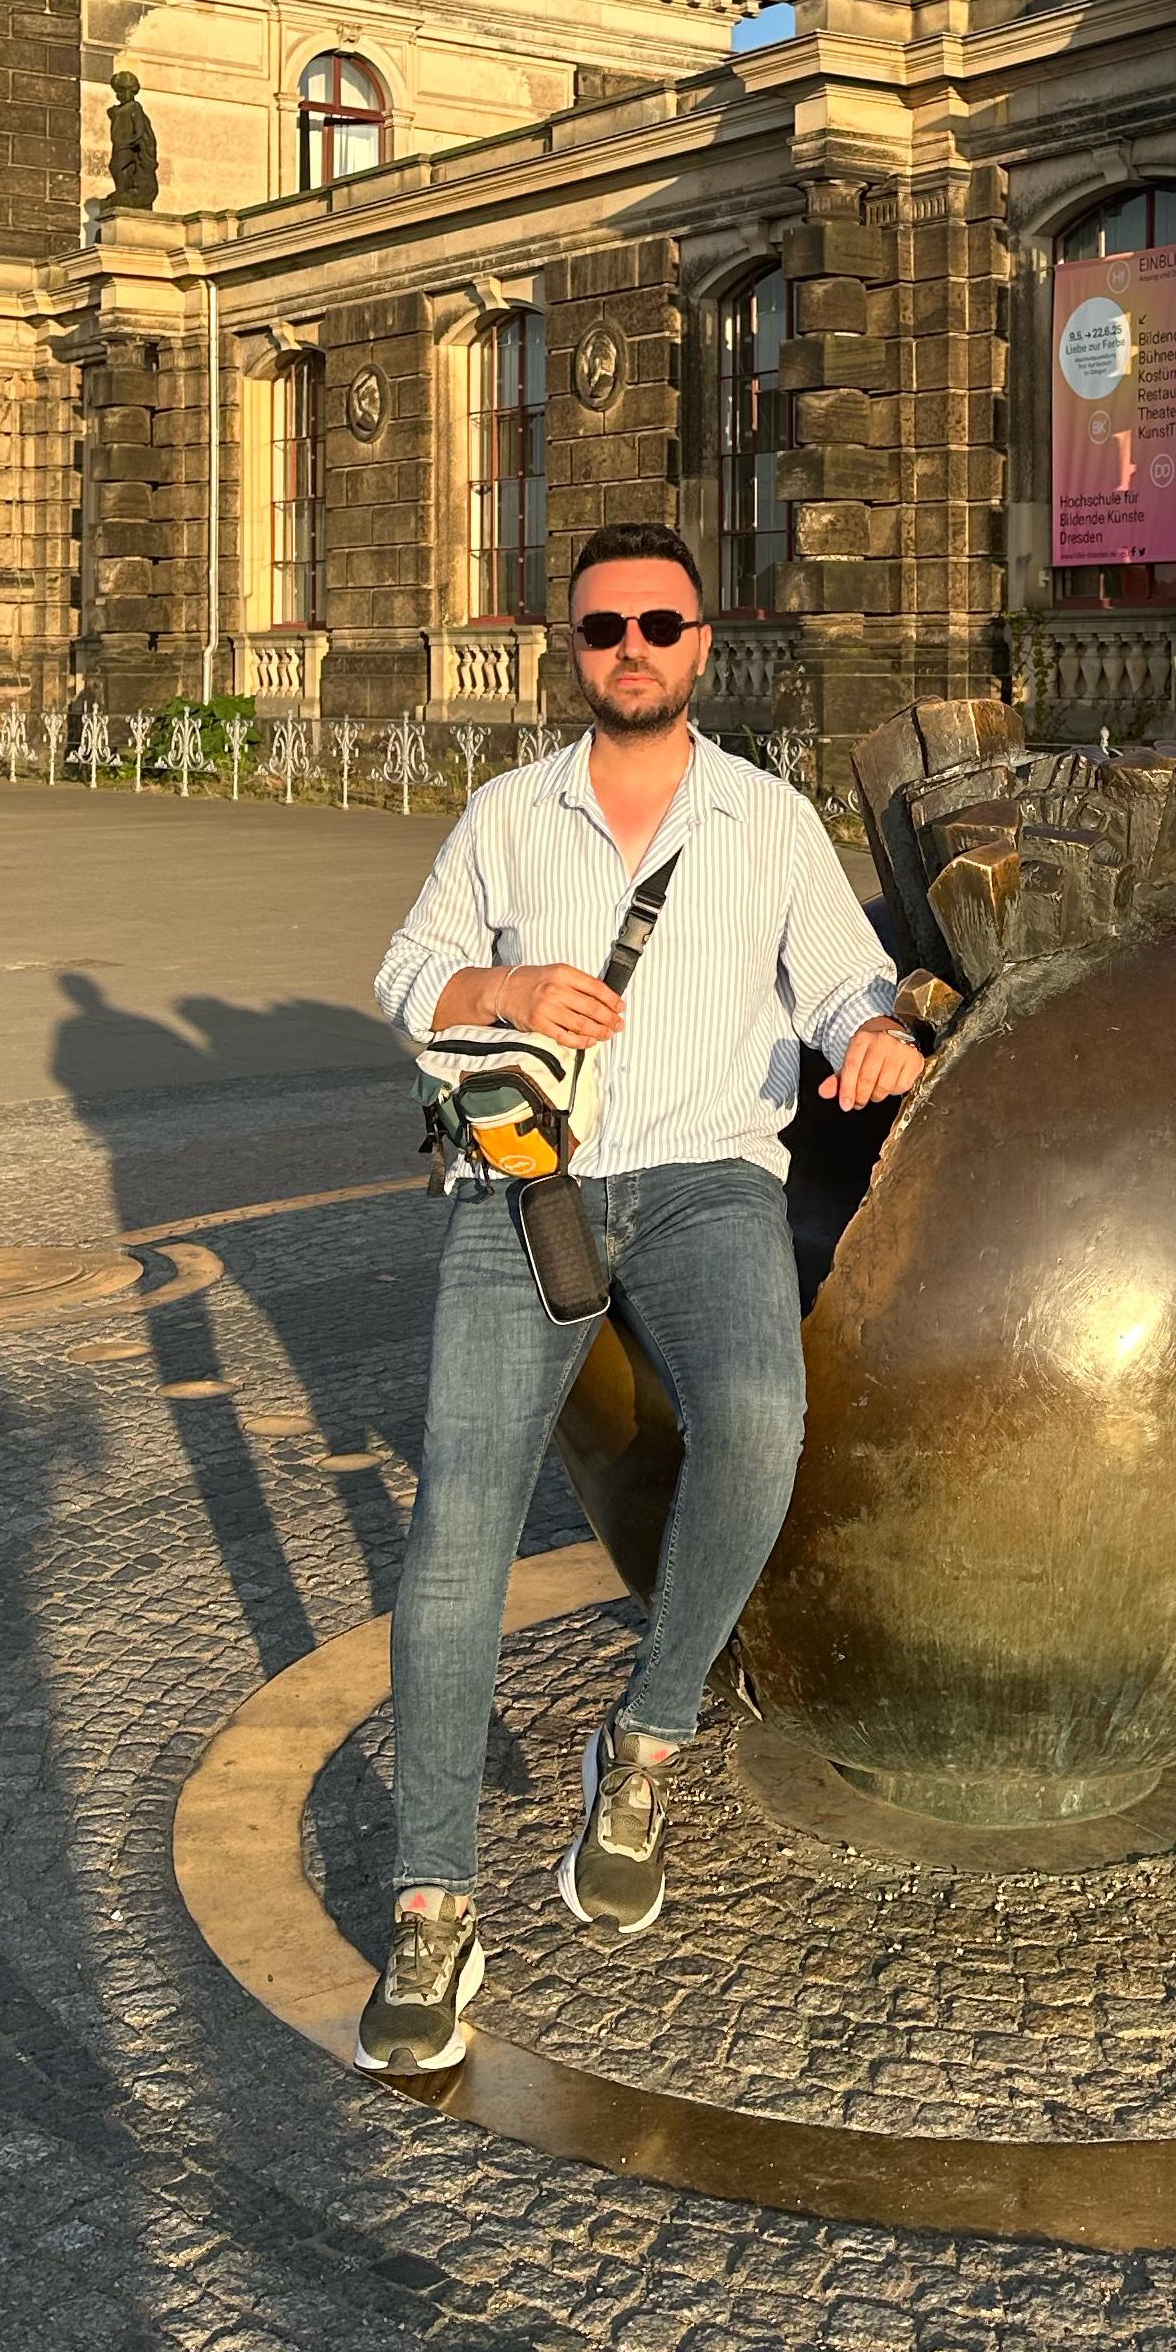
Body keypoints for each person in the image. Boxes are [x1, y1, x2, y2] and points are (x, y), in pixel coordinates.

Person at [359, 522, 927, 2077]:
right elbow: (405, 978)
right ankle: (432, 1907)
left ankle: (648, 1737)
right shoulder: (506, 815)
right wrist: (501, 991)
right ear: (573, 647)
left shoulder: (766, 819)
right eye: (604, 627)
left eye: (658, 626)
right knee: (457, 1536)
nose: (631, 649)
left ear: (700, 647)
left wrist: (876, 1037)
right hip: (527, 1187)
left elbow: (840, 982)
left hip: (706, 1185)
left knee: (759, 1423)